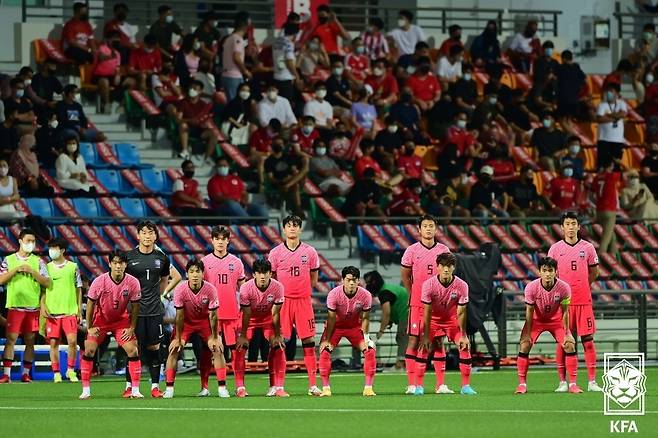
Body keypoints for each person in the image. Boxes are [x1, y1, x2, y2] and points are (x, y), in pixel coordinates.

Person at [547, 211, 602, 393]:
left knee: (588, 340)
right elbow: (550, 275)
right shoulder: (555, 249)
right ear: (562, 227)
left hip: (583, 301)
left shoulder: (588, 248)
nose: (570, 227)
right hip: (564, 304)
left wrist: (584, 285)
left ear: (579, 226)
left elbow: (595, 272)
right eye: (567, 224)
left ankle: (592, 381)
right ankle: (563, 382)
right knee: (564, 342)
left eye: (573, 223)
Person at [124, 221, 180, 398]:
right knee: (133, 348)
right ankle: (130, 387)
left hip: (155, 309)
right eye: (144, 233)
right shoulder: (129, 257)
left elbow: (165, 279)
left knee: (155, 347)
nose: (147, 236)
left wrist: (160, 295)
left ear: (155, 236)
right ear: (138, 235)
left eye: (151, 233)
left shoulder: (162, 258)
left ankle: (155, 387)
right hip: (134, 310)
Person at [268, 215, 322, 396]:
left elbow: (314, 278)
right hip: (284, 302)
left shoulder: (310, 252)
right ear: (283, 229)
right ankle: (279, 386)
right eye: (289, 226)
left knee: (309, 341)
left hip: (303, 302)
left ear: (300, 229)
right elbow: (272, 279)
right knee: (280, 341)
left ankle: (313, 385)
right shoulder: (275, 253)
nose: (292, 228)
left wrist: (303, 291)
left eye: (296, 226)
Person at [79, 250, 143, 399]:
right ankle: (86, 390)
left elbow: (135, 307)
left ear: (126, 265)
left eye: (121, 263)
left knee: (133, 350)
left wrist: (131, 328)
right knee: (89, 350)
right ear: (109, 264)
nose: (118, 266)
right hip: (100, 321)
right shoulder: (99, 281)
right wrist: (89, 327)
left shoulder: (133, 282)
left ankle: (135, 390)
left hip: (121, 321)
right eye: (115, 263)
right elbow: (90, 304)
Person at [163, 259, 228, 398]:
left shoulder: (210, 289)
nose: (194, 275)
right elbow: (179, 317)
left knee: (216, 348)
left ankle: (221, 388)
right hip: (186, 323)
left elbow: (213, 316)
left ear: (203, 274)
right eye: (191, 272)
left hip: (205, 323)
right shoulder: (180, 289)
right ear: (187, 274)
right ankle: (169, 389)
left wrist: (216, 337)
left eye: (197, 271)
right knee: (174, 348)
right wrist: (178, 339)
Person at [400, 215, 450, 394]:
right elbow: (405, 274)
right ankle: (412, 383)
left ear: (436, 229)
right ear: (419, 230)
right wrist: (411, 292)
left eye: (431, 226)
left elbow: (449, 274)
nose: (428, 229)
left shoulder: (444, 250)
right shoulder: (411, 251)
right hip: (418, 303)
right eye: (425, 226)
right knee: (414, 340)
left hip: (438, 304)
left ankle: (440, 384)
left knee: (438, 341)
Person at [515, 257, 580, 394]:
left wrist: (568, 332)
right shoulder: (531, 287)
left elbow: (565, 312)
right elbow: (529, 312)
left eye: (551, 270)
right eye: (544, 270)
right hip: (536, 321)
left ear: (556, 272)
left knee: (569, 345)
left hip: (556, 321)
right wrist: (526, 333)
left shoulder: (564, 287)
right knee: (525, 345)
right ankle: (522, 385)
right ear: (539, 272)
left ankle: (573, 384)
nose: (548, 274)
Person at [417, 252, 477, 396]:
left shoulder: (462, 285)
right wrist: (425, 336)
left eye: (449, 266)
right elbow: (427, 311)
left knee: (464, 346)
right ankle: (418, 386)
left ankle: (465, 386)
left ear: (453, 268)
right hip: (432, 320)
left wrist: (463, 335)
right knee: (423, 348)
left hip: (451, 320)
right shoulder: (428, 285)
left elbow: (461, 312)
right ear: (437, 267)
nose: (446, 269)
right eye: (443, 266)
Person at [0, 228, 52, 383]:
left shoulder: (38, 262)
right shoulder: (8, 260)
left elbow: (47, 283)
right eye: (28, 241)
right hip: (15, 307)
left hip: (32, 307)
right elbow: (1, 280)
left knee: (30, 340)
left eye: (33, 241)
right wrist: (16, 270)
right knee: (11, 339)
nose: (31, 244)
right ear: (20, 241)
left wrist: (32, 272)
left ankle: (26, 373)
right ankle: (7, 375)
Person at [200, 226, 245, 395]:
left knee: (236, 352)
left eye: (223, 239)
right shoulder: (204, 262)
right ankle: (204, 387)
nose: (220, 242)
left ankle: (240, 386)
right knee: (208, 351)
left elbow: (244, 289)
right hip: (211, 316)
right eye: (217, 238)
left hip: (232, 314)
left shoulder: (236, 262)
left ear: (228, 240)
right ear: (212, 240)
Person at [319, 266, 376, 397]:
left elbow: (366, 318)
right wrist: (326, 340)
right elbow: (331, 318)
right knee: (324, 351)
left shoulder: (365, 295)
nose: (351, 283)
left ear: (358, 281)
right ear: (342, 280)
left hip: (354, 328)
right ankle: (326, 388)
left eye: (354, 280)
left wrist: (366, 338)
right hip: (335, 328)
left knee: (370, 350)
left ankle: (368, 388)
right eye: (348, 280)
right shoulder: (333, 294)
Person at [235, 259, 287, 397]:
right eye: (259, 273)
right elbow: (246, 313)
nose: (262, 276)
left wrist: (277, 335)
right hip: (249, 320)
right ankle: (240, 388)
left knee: (278, 346)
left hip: (268, 320)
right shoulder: (246, 288)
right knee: (241, 348)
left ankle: (278, 387)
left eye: (265, 273)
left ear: (271, 273)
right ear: (254, 274)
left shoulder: (278, 287)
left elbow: (275, 313)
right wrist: (243, 335)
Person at [42, 238, 82, 383]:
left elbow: (78, 289)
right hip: (52, 311)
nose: (52, 251)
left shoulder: (73, 267)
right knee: (53, 343)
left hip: (69, 311)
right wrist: (43, 307)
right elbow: (43, 290)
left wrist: (79, 310)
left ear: (62, 250)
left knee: (72, 341)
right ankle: (56, 372)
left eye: (55, 248)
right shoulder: (46, 267)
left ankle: (70, 370)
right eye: (50, 248)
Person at [364, 271, 408, 371]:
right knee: (405, 338)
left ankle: (399, 365)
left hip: (408, 313)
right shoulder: (388, 288)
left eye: (369, 283)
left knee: (402, 337)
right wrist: (390, 321)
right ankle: (406, 364)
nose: (368, 286)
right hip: (408, 312)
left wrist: (381, 330)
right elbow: (394, 305)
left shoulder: (385, 293)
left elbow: (386, 313)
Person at [174, 80, 217, 162]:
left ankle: (206, 159)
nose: (192, 90)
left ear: (200, 91)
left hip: (199, 129)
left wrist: (205, 124)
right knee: (183, 125)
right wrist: (190, 120)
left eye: (195, 89)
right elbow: (178, 119)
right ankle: (184, 151)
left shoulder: (203, 104)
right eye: (191, 88)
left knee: (213, 135)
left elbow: (207, 118)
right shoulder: (183, 102)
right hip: (187, 128)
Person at [264, 140, 306, 215]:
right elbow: (271, 179)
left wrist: (291, 177)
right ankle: (298, 209)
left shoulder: (288, 157)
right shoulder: (268, 161)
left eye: (281, 143)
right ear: (273, 146)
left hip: (290, 179)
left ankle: (288, 186)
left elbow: (294, 170)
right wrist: (281, 180)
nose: (279, 145)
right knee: (295, 186)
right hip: (279, 182)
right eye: (277, 143)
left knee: (302, 173)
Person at [593, 159, 622, 257]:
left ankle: (614, 255)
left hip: (599, 210)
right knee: (605, 240)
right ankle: (599, 258)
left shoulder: (597, 177)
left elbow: (592, 190)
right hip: (609, 209)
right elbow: (628, 173)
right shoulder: (611, 176)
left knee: (611, 234)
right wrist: (620, 163)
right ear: (610, 166)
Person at [221, 13, 252, 102]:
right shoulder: (237, 39)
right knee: (234, 104)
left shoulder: (229, 38)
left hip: (227, 75)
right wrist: (245, 71)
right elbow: (236, 57)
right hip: (233, 76)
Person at [596, 83, 627, 167]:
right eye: (607, 91)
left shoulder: (621, 103)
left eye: (611, 91)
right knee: (603, 165)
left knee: (616, 165)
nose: (608, 93)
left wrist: (608, 115)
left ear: (617, 93)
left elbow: (623, 114)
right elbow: (599, 119)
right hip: (603, 139)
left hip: (617, 140)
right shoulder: (602, 105)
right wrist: (616, 117)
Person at [273, 22, 302, 103]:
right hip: (285, 79)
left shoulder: (276, 41)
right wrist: (297, 76)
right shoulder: (289, 44)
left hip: (276, 76)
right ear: (296, 34)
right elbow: (289, 62)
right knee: (285, 104)